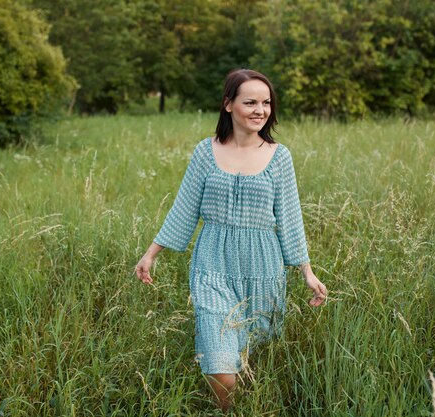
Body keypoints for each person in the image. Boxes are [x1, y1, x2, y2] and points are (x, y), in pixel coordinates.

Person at [135, 69, 327, 412]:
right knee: (222, 367)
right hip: (212, 266)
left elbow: (290, 218)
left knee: (254, 357)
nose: (260, 110)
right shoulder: (205, 152)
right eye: (250, 102)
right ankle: (227, 410)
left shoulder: (279, 156)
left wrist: (307, 273)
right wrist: (152, 253)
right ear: (228, 105)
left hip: (263, 268)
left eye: (266, 103)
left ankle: (246, 406)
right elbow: (184, 208)